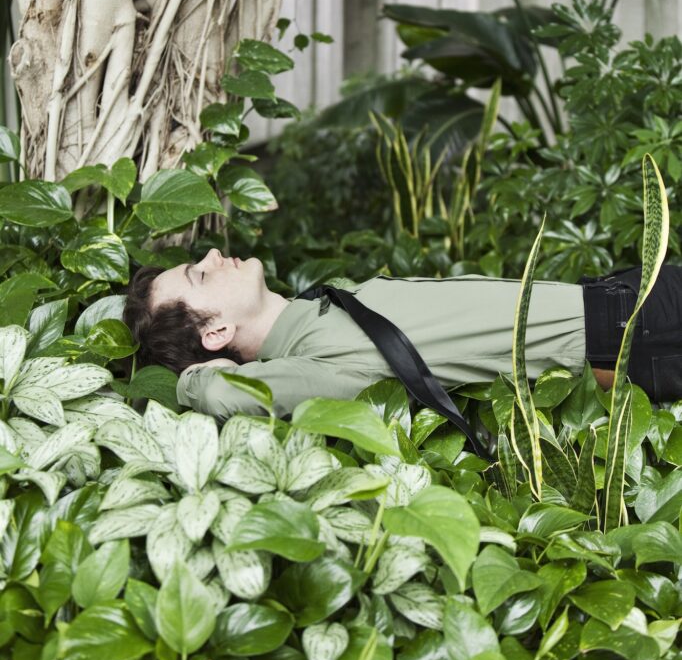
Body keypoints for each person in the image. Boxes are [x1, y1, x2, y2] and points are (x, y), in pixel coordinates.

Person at [124, 249, 682, 422]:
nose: (213, 256)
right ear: (217, 331)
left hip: (627, 296)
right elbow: (222, 392)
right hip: (638, 333)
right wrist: (196, 378)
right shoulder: (315, 364)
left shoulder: (318, 310)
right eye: (200, 275)